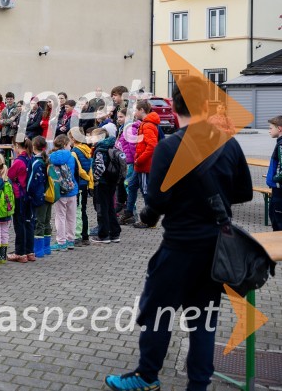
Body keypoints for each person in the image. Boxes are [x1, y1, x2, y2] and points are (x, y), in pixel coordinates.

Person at [105, 76, 252, 391]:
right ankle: (198, 385)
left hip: (180, 245)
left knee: (157, 313)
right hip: (215, 247)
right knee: (204, 321)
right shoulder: (228, 142)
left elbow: (157, 199)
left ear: (174, 105)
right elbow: (244, 192)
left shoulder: (170, 146)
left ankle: (147, 376)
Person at [89, 127, 122, 245]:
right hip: (112, 181)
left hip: (102, 182)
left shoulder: (100, 150)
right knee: (110, 208)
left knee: (102, 209)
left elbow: (100, 167)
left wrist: (95, 178)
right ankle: (115, 233)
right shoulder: (113, 146)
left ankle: (104, 235)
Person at [131, 100, 160, 229]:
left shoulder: (147, 125)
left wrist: (140, 159)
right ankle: (129, 213)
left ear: (142, 110)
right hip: (140, 164)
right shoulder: (146, 124)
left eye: (136, 110)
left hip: (144, 165)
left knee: (146, 191)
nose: (134, 112)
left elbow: (152, 145)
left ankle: (150, 220)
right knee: (132, 185)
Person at [49, 134, 79, 251]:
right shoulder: (72, 157)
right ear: (65, 145)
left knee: (60, 217)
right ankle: (70, 240)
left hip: (60, 191)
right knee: (71, 216)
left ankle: (61, 242)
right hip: (72, 190)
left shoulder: (51, 157)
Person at [7, 138, 34, 262]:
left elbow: (9, 175)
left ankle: (20, 253)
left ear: (17, 145)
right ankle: (30, 251)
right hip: (29, 195)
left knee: (19, 224)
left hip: (19, 195)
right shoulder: (31, 158)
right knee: (29, 223)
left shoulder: (18, 161)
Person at [69, 130, 93, 247]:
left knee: (77, 210)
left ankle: (78, 235)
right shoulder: (87, 150)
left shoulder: (74, 152)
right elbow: (89, 167)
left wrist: (86, 177)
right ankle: (85, 235)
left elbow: (79, 169)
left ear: (73, 139)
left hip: (79, 183)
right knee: (83, 209)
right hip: (85, 184)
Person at [119, 109, 142, 226]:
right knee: (128, 186)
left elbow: (133, 147)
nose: (118, 119)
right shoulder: (125, 128)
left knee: (129, 186)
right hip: (127, 161)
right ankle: (130, 212)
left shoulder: (130, 129)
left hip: (130, 163)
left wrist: (134, 161)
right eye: (118, 117)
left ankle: (132, 213)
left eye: (121, 117)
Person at [31, 136, 52, 257]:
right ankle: (46, 247)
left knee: (39, 222)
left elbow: (34, 182)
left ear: (34, 147)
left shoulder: (36, 162)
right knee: (47, 221)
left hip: (40, 197)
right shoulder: (47, 160)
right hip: (49, 194)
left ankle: (38, 250)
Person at [265, 116, 282, 231]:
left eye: (271, 128)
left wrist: (274, 179)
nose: (269, 130)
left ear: (279, 128)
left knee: (278, 223)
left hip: (279, 191)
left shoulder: (281, 145)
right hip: (277, 190)